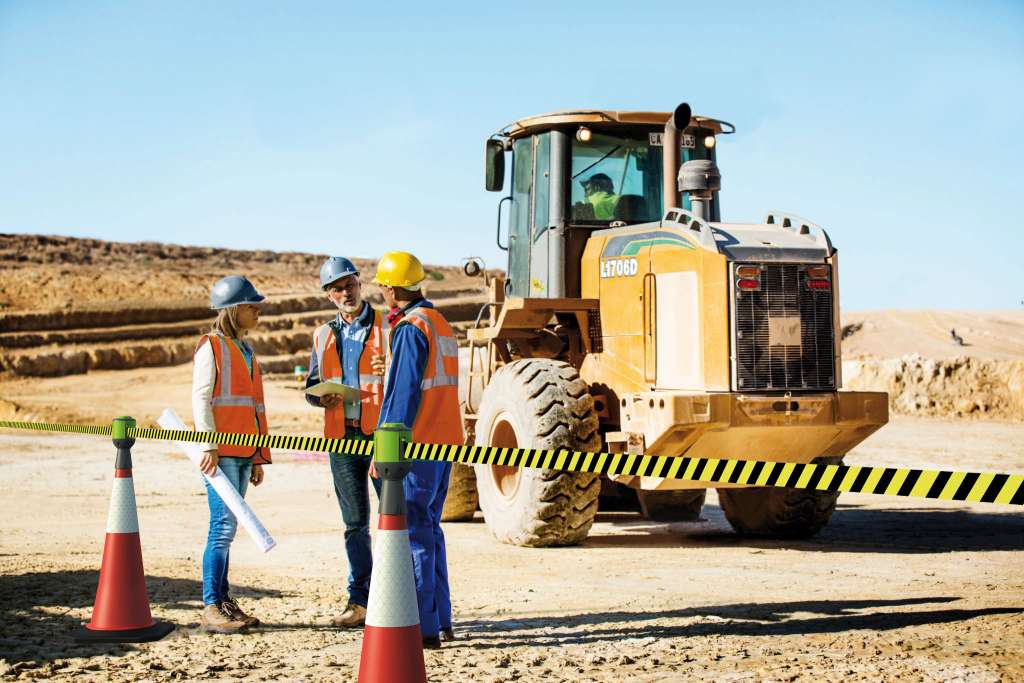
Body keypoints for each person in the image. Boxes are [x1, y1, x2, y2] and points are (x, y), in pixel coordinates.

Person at [373, 251, 463, 649]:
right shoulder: (439, 322)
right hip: (444, 443)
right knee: (430, 529)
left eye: (383, 287)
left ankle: (423, 628)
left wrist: (385, 450)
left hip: (418, 445)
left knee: (414, 533)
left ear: (392, 289)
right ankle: (441, 621)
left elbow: (402, 396)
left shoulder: (411, 328)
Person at [305, 256, 387, 628]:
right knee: (355, 524)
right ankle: (360, 601)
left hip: (381, 434)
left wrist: (390, 367)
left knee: (394, 519)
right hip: (341, 437)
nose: (345, 293)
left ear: (360, 284)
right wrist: (318, 398)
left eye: (349, 285)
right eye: (337, 289)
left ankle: (398, 597)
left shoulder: (387, 326)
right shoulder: (322, 335)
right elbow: (311, 385)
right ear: (329, 295)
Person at [192, 275, 271, 634]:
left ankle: (223, 602)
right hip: (220, 454)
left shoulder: (245, 349)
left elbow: (254, 407)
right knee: (222, 527)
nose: (257, 312)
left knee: (229, 527)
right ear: (234, 309)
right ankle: (212, 605)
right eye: (252, 306)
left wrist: (257, 456)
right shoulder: (211, 346)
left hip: (242, 452)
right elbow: (201, 398)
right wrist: (208, 444)